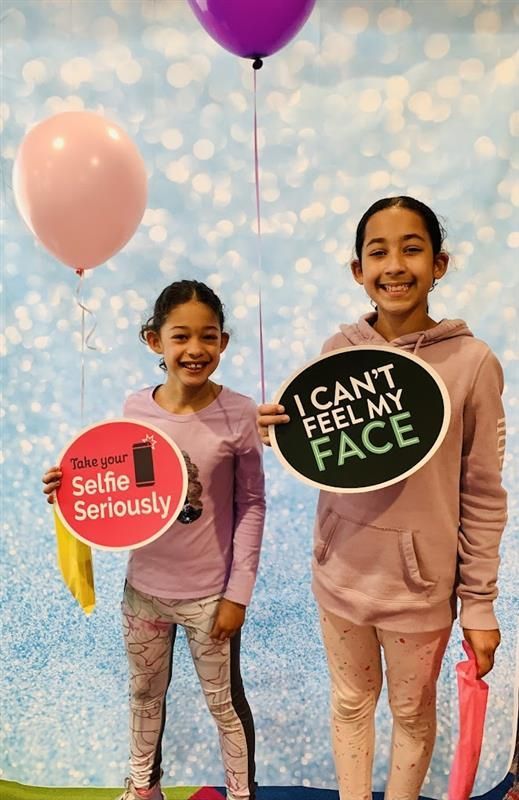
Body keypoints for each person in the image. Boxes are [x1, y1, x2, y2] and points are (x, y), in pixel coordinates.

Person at [258, 196, 507, 800]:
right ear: (358, 270)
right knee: (349, 704)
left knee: (413, 716)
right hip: (340, 579)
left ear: (440, 264)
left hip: (419, 592)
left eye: (412, 249)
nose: (395, 265)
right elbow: (333, 461)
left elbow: (483, 494)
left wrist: (477, 603)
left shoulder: (472, 364)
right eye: (378, 251)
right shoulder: (336, 353)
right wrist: (285, 433)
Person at [43, 280, 266, 800]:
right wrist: (69, 488)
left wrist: (238, 593)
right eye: (181, 336)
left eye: (208, 337)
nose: (195, 350)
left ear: (224, 343)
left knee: (223, 703)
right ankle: (143, 788)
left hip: (211, 597)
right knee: (144, 694)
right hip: (143, 592)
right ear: (154, 341)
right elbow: (116, 486)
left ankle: (241, 793)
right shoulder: (134, 408)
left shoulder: (239, 413)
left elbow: (252, 504)